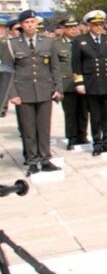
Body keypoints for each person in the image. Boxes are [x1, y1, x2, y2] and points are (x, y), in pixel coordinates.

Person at [1, 9, 63, 173]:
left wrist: (58, 88)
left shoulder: (48, 42)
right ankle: (32, 161)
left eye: (33, 22)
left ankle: (45, 159)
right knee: (28, 129)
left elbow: (55, 68)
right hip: (23, 92)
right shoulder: (12, 44)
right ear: (21, 25)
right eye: (27, 22)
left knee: (44, 127)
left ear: (36, 24)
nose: (30, 25)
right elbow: (8, 71)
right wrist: (12, 94)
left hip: (44, 90)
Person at [71, 10, 107, 156]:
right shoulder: (80, 40)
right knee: (95, 115)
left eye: (101, 24)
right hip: (91, 82)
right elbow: (76, 63)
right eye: (96, 24)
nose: (99, 27)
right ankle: (97, 143)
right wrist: (79, 82)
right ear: (89, 25)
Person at [56, 15, 89, 149]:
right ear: (63, 28)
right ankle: (72, 138)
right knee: (70, 112)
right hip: (67, 83)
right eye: (69, 27)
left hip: (83, 82)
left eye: (75, 27)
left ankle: (82, 135)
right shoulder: (56, 44)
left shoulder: (83, 41)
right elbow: (55, 66)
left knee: (83, 111)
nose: (73, 30)